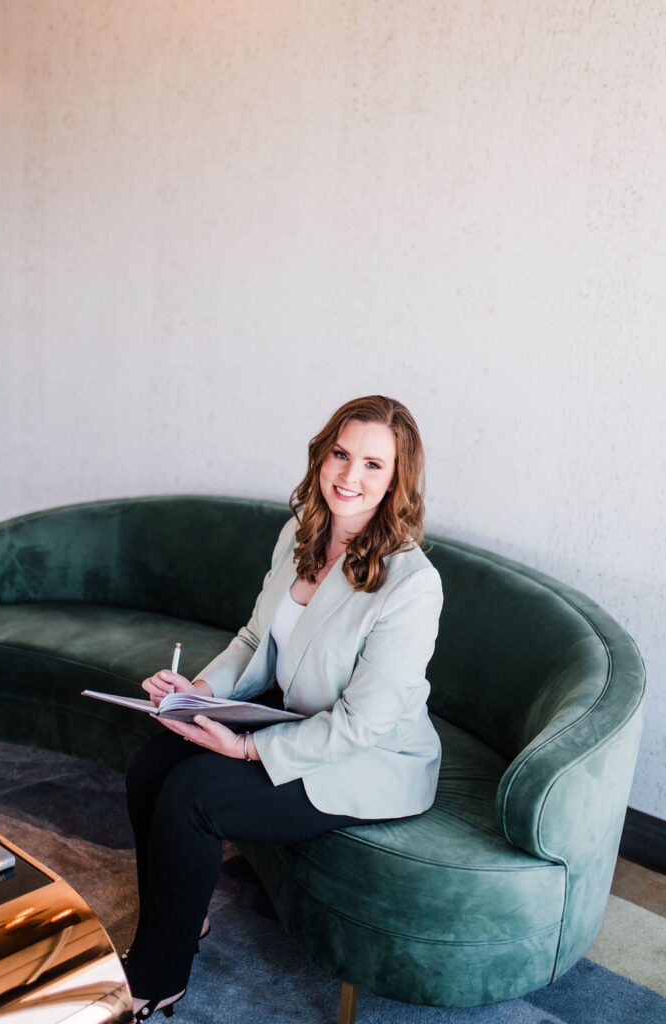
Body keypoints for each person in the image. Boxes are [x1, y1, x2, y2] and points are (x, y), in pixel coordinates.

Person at [123, 395, 443, 1020]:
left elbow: (362, 725)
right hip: (300, 717)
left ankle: (158, 976)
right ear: (322, 454)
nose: (350, 477)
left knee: (194, 793)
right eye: (342, 454)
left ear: (397, 481)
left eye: (374, 465)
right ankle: (178, 924)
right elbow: (254, 641)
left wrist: (245, 746)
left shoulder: (412, 585)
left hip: (369, 757)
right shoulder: (300, 534)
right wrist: (198, 696)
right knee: (151, 764)